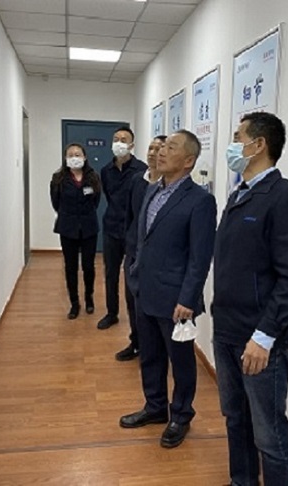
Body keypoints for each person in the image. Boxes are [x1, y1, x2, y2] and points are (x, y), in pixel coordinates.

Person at [213, 112, 288, 486]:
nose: (232, 145)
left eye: (237, 137)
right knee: (235, 418)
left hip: (259, 339)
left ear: (259, 145)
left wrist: (265, 336)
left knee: (269, 435)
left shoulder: (286, 198)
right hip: (227, 329)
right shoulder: (240, 193)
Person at [119, 129, 217, 449]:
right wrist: (134, 274)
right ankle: (155, 406)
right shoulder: (152, 190)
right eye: (162, 147)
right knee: (150, 355)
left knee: (181, 361)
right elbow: (143, 240)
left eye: (171, 148)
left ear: (188, 161)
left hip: (176, 299)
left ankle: (181, 415)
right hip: (145, 291)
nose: (161, 152)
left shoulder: (200, 200)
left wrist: (188, 298)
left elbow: (200, 257)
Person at [115, 135, 166, 361]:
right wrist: (129, 243)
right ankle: (136, 343)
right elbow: (131, 215)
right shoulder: (137, 180)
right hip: (134, 252)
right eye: (151, 148)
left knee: (152, 304)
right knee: (132, 300)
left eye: (159, 149)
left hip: (156, 256)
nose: (153, 153)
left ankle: (155, 349)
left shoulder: (168, 184)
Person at [97, 127, 146, 330]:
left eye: (124, 140)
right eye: (116, 139)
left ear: (132, 145)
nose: (119, 143)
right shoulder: (105, 171)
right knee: (111, 273)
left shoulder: (141, 170)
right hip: (111, 228)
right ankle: (112, 313)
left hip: (132, 231)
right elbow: (109, 197)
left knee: (131, 276)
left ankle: (135, 319)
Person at [50, 143, 102, 320]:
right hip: (67, 227)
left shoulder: (93, 177)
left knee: (88, 266)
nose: (74, 157)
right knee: (70, 267)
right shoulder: (58, 178)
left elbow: (96, 201)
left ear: (84, 157)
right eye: (70, 155)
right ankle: (74, 303)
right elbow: (56, 203)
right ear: (65, 158)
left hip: (88, 227)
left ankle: (89, 298)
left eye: (78, 154)